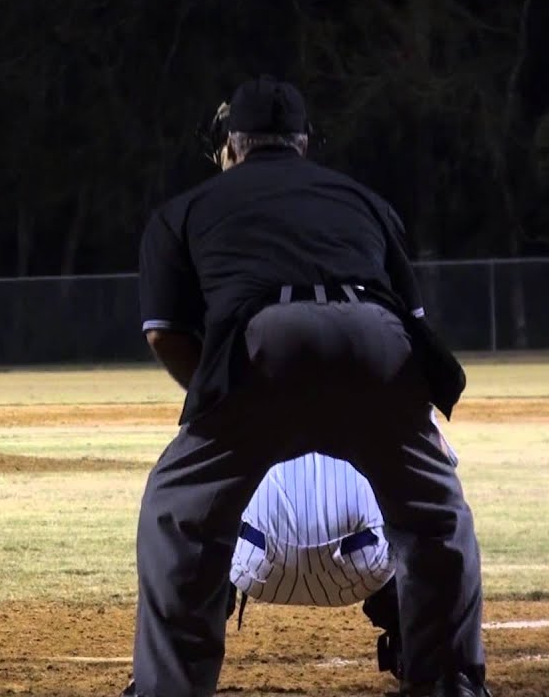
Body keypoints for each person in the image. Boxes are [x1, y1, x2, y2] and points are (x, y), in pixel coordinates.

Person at [125, 76, 486, 697]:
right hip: (377, 335)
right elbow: (417, 326)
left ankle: (168, 689)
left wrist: (219, 403)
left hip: (265, 343)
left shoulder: (185, 208)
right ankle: (451, 683)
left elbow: (164, 334)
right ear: (303, 144)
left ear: (230, 146)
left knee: (176, 515)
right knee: (436, 517)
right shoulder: (364, 200)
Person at [227, 451, 405, 681]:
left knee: (203, 504)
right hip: (364, 567)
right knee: (423, 501)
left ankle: (194, 644)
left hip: (254, 564)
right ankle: (415, 648)